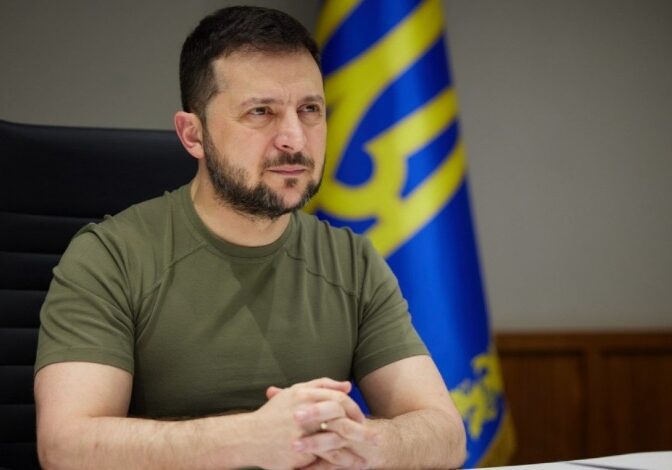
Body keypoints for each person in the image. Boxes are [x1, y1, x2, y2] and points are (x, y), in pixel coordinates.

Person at [34, 6, 466, 469]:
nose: (294, 138)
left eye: (310, 110)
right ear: (193, 135)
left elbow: (446, 436)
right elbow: (65, 448)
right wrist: (249, 439)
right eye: (261, 112)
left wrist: (364, 442)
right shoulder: (110, 257)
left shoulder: (351, 261)